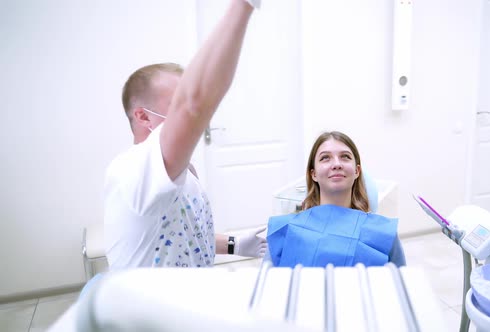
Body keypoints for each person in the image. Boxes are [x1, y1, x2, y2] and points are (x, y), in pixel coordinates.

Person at [103, 0, 266, 270]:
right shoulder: (132, 168)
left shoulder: (181, 172)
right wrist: (243, 5)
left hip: (191, 294)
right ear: (143, 116)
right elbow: (194, 105)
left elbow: (184, 234)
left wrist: (237, 244)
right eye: (175, 102)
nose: (182, 112)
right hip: (145, 310)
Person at [266, 131, 406, 267]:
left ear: (357, 171)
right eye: (325, 158)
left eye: (345, 157)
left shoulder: (384, 234)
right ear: (313, 174)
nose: (337, 164)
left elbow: (400, 284)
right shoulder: (285, 229)